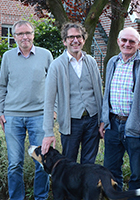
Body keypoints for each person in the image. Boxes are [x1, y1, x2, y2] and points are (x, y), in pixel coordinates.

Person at [98, 27, 140, 200]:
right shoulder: (112, 62)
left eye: (132, 41)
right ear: (118, 41)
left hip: (135, 127)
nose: (127, 44)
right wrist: (104, 120)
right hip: (113, 124)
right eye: (124, 40)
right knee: (111, 172)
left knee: (137, 173)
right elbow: (106, 92)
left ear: (139, 44)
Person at [0, 20, 53, 200]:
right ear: (14, 37)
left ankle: (41, 197)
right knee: (14, 164)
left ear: (33, 34)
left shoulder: (45, 55)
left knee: (42, 163)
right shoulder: (8, 56)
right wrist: (0, 112)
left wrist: (54, 110)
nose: (24, 37)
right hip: (13, 117)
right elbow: (1, 86)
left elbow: (54, 85)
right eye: (20, 34)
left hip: (39, 116)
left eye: (27, 33)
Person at [41, 22, 103, 165]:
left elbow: (99, 94)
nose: (75, 40)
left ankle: (87, 188)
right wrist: (48, 132)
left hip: (92, 120)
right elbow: (49, 101)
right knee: (69, 165)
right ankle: (73, 189)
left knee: (89, 165)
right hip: (71, 122)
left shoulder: (91, 62)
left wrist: (102, 120)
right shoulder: (56, 66)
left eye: (79, 36)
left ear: (84, 39)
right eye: (71, 37)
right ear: (64, 41)